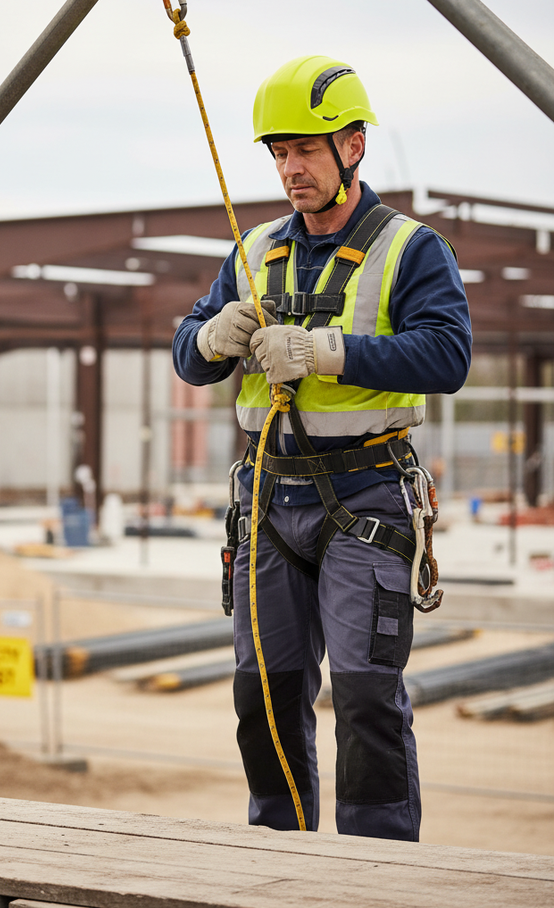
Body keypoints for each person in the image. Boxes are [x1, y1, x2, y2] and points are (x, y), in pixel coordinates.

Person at [172, 54, 471, 842]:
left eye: (305, 149)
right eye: (279, 152)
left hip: (366, 496)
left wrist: (326, 352)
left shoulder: (410, 249)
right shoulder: (253, 251)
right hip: (269, 500)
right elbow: (188, 356)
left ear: (353, 146)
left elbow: (448, 355)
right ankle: (281, 853)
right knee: (263, 694)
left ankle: (376, 866)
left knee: (367, 695)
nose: (290, 169)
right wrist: (209, 336)